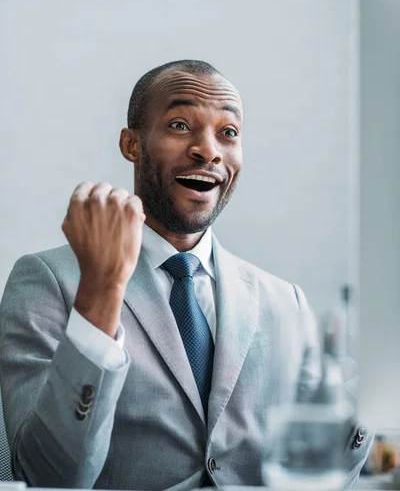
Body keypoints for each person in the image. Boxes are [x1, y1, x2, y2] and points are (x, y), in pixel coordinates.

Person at [0, 60, 371, 490]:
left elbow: (333, 466)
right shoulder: (46, 280)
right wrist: (100, 295)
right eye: (180, 124)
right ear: (132, 144)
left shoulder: (284, 300)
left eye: (228, 133)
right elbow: (50, 475)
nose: (208, 150)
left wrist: (370, 398)